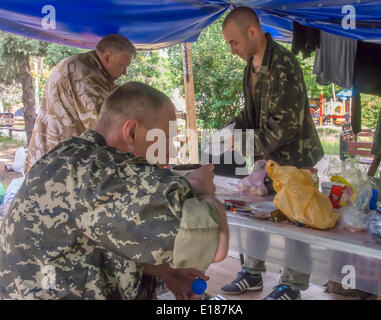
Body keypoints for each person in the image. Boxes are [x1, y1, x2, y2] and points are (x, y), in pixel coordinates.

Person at [0, 82, 229, 300]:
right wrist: (204, 191)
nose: (168, 152)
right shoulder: (104, 173)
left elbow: (98, 240)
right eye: (163, 139)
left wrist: (164, 270)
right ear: (132, 132)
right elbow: (216, 246)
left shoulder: (70, 155)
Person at [220, 7, 324, 300]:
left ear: (252, 31)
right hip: (268, 159)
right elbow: (251, 113)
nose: (232, 50)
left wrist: (241, 144)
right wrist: (231, 129)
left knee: (296, 220)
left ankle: (291, 286)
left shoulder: (284, 64)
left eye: (234, 42)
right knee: (255, 211)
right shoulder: (250, 65)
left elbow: (286, 125)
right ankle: (252, 273)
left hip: (295, 158)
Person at [24, 34, 136, 173]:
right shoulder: (84, 72)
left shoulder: (93, 71)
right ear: (107, 57)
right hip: (55, 165)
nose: (124, 72)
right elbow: (103, 126)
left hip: (54, 160)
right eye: (122, 66)